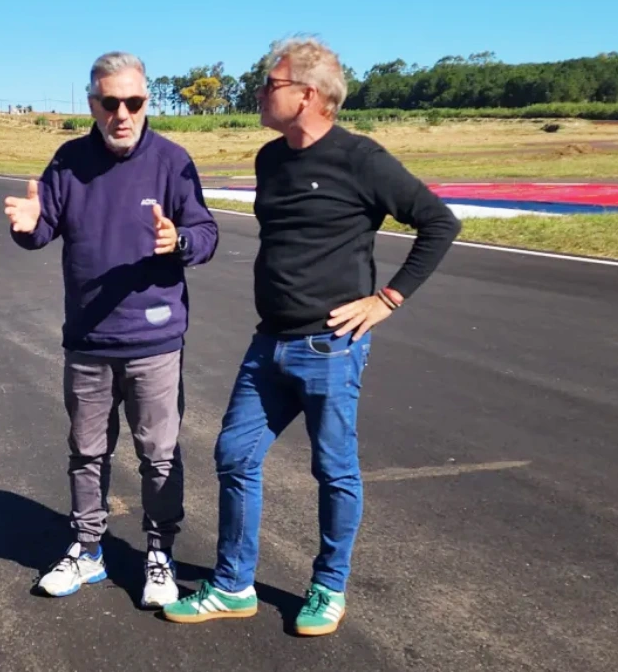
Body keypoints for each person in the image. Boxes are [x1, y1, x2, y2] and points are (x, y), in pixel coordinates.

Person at [163, 36, 461, 635]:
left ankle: (328, 586)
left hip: (331, 345)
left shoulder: (362, 159)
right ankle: (233, 585)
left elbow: (439, 222)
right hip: (268, 341)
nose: (259, 93)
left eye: (270, 84)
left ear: (307, 95)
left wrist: (387, 299)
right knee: (234, 455)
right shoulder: (269, 160)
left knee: (333, 470)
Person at [4, 51, 219, 608]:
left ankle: (159, 553)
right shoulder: (68, 161)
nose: (121, 113)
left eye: (134, 102)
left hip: (153, 341)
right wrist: (27, 228)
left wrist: (183, 242)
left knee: (160, 454)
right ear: (92, 102)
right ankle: (88, 549)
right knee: (86, 451)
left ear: (148, 101)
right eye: (109, 102)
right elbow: (42, 226)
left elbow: (206, 230)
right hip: (88, 342)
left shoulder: (172, 161)